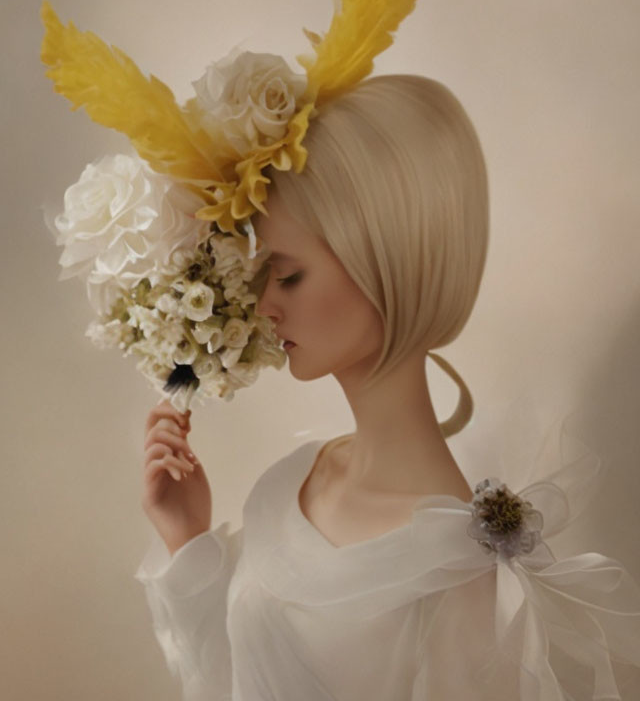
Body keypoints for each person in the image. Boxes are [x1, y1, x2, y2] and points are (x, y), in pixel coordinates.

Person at [136, 76, 640, 701]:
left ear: (382, 265)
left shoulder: (454, 570)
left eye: (288, 276)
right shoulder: (296, 478)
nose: (265, 303)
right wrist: (188, 541)